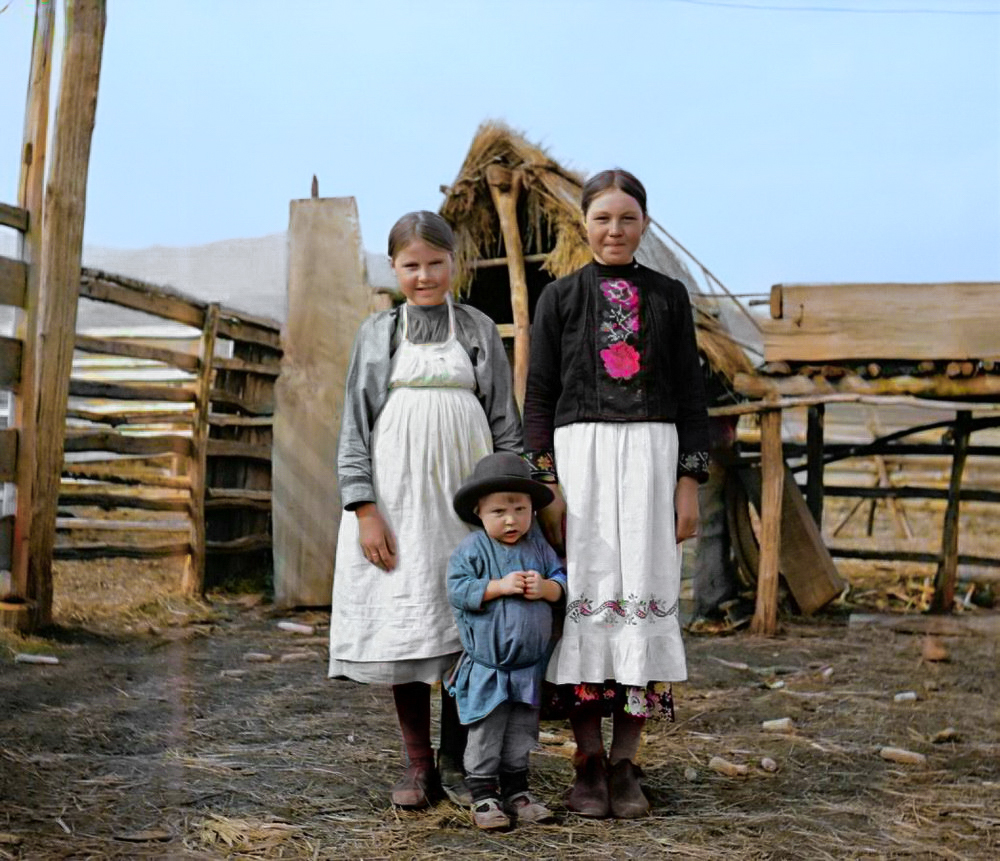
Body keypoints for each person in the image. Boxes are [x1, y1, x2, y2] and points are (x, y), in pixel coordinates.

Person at [522, 169, 710, 819]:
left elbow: (692, 394)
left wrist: (689, 478)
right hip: (582, 464)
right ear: (583, 224)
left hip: (654, 462)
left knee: (645, 611)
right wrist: (544, 479)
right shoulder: (560, 298)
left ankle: (629, 762)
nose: (614, 230)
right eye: (602, 218)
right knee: (586, 603)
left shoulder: (670, 297)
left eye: (627, 218)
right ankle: (587, 763)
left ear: (645, 225)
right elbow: (538, 396)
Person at [328, 211, 522, 810]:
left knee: (467, 628)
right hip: (399, 501)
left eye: (436, 263)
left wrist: (509, 502)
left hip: (466, 502)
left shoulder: (477, 330)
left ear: (453, 264)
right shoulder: (379, 334)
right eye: (411, 265)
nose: (424, 275)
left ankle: (462, 761)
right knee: (407, 624)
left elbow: (505, 424)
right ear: (393, 268)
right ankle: (418, 768)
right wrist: (363, 508)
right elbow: (354, 428)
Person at [446, 452, 567, 830]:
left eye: (520, 508)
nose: (511, 519)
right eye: (499, 511)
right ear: (479, 513)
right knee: (486, 731)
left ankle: (518, 790)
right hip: (490, 668)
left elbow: (561, 579)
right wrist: (497, 587)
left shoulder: (538, 547)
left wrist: (547, 589)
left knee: (520, 734)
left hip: (528, 667)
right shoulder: (472, 550)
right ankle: (483, 794)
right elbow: (458, 589)